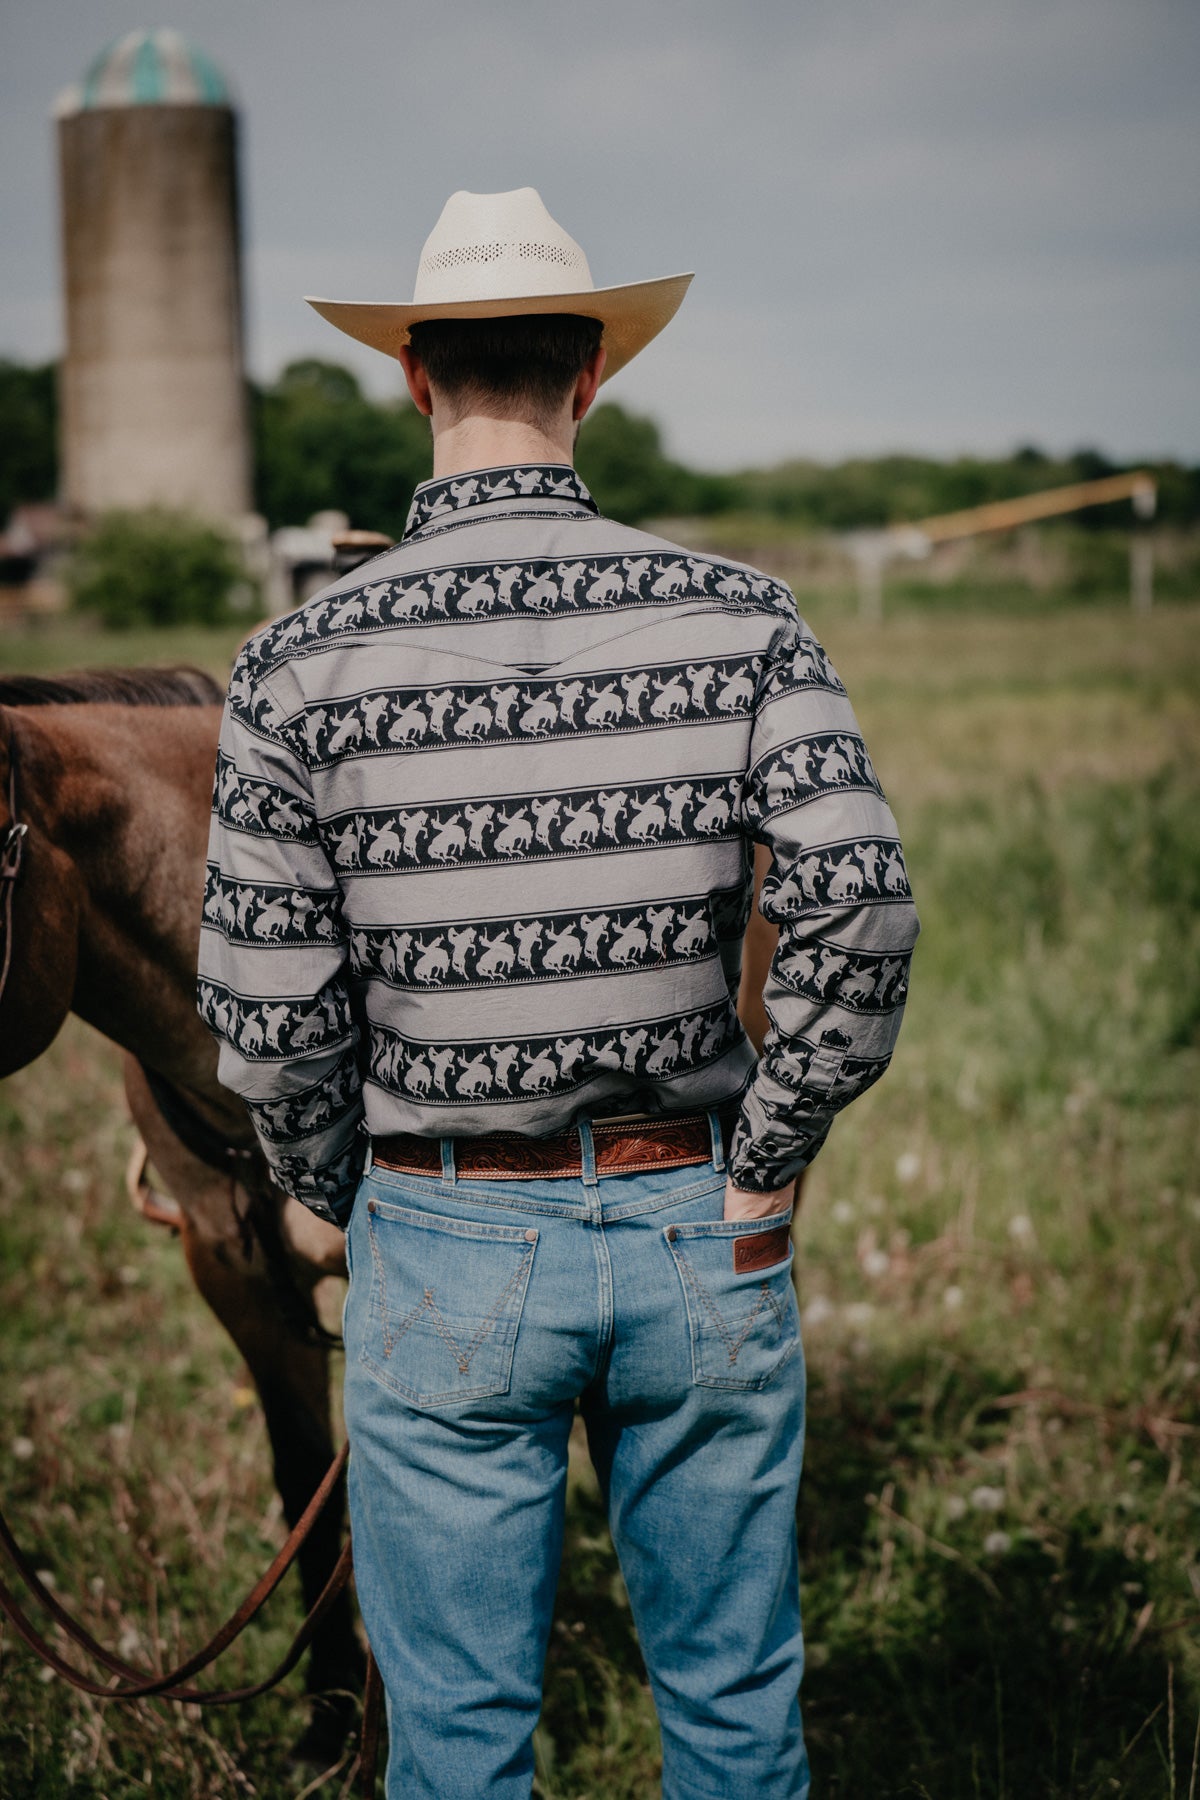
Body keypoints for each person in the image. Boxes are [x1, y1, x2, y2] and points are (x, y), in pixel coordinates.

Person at [198, 187, 920, 1800]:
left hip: (442, 1235)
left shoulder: (299, 663)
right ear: (592, 373)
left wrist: (333, 1192)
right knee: (736, 1716)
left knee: (458, 1748)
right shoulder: (746, 620)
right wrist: (774, 1155)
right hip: (698, 1226)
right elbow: (858, 901)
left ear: (410, 375)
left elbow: (266, 999)